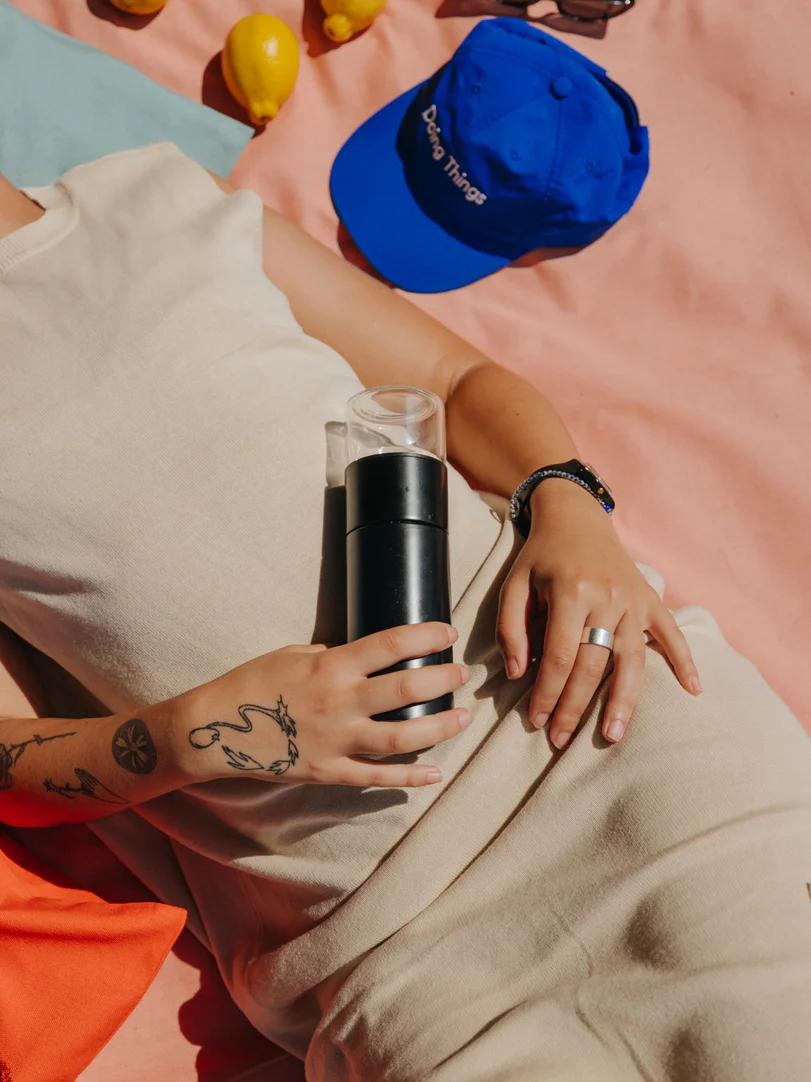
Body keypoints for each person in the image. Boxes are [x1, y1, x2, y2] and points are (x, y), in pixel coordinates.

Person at [0, 144, 809, 1080]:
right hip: (377, 915)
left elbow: (451, 380)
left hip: (607, 725)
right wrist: (197, 732)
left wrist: (567, 501)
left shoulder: (160, 193)